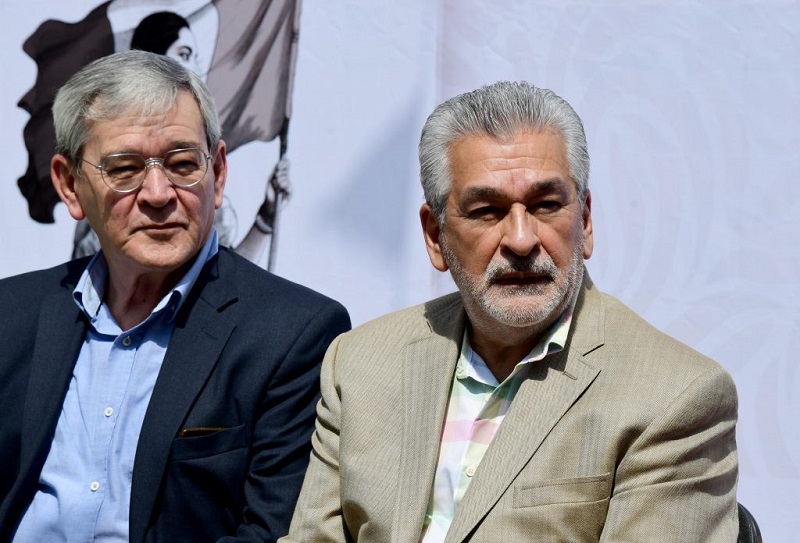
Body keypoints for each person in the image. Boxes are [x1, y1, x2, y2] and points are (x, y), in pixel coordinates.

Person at [281, 81, 739, 542]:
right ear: (435, 236)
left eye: (546, 205)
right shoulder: (360, 363)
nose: (521, 240)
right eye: (487, 210)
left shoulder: (674, 395)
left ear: (585, 221)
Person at [0, 50, 350, 542]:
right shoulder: (11, 314)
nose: (158, 193)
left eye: (183, 163)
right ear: (70, 185)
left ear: (218, 173)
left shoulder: (293, 334)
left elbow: (272, 533)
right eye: (125, 168)